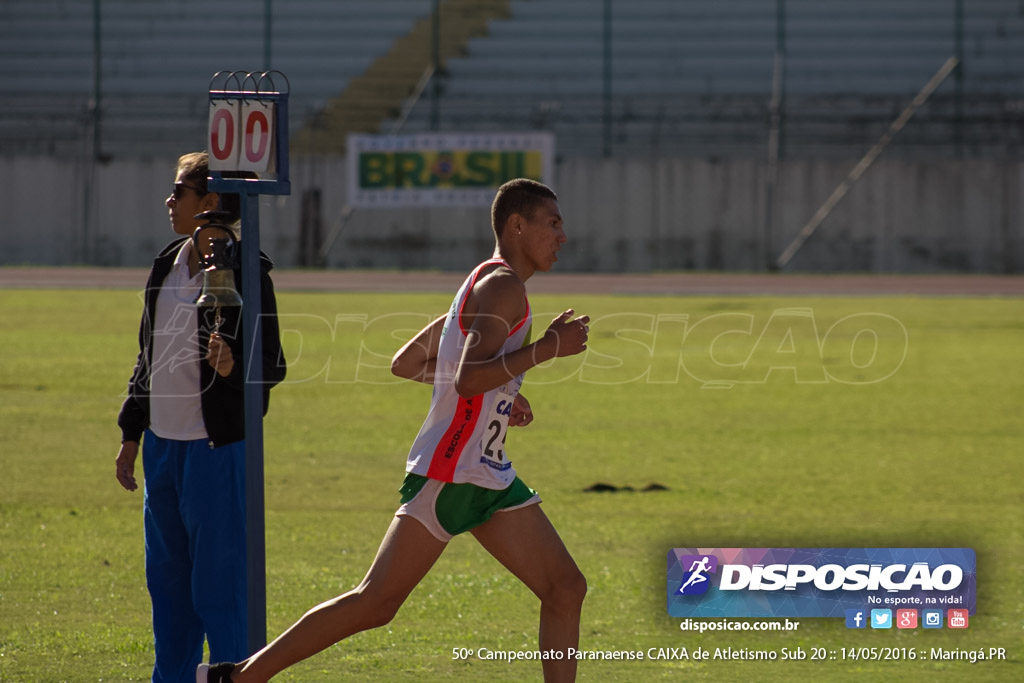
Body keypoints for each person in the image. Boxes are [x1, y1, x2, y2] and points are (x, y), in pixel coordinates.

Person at [198, 178, 590, 683]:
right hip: (451, 472)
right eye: (553, 223)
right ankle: (238, 678)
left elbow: (409, 362)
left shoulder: (484, 280)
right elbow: (468, 377)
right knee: (375, 602)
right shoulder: (503, 287)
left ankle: (236, 678)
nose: (563, 235)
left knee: (565, 587)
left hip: (483, 474)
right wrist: (547, 348)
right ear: (517, 225)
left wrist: (505, 392)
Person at [115, 151, 287, 683]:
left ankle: (236, 675)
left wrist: (234, 366)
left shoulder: (248, 270)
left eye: (179, 192)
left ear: (209, 202)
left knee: (221, 590)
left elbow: (272, 364)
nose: (170, 201)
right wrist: (131, 434)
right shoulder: (166, 262)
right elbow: (148, 355)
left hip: (217, 452)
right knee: (167, 588)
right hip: (164, 451)